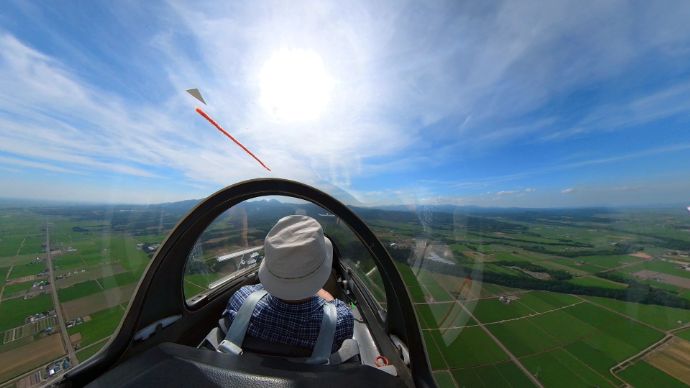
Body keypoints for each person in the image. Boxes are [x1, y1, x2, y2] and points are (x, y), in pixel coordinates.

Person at [223, 215, 354, 353]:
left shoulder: (240, 300)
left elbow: (260, 289)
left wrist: (290, 280)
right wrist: (321, 293)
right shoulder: (339, 321)